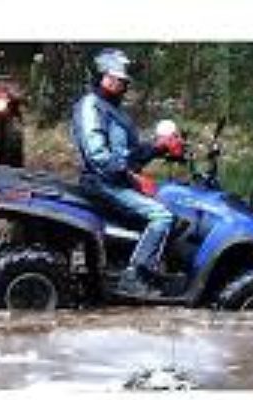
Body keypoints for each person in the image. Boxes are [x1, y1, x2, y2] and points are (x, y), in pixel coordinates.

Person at [71, 48, 183, 298]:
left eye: (122, 80)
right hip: (102, 182)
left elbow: (130, 153)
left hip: (114, 180)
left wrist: (160, 147)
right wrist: (130, 176)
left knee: (168, 201)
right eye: (116, 79)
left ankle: (145, 265)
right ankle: (134, 277)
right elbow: (98, 157)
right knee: (162, 216)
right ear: (103, 77)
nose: (121, 84)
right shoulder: (91, 106)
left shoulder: (113, 110)